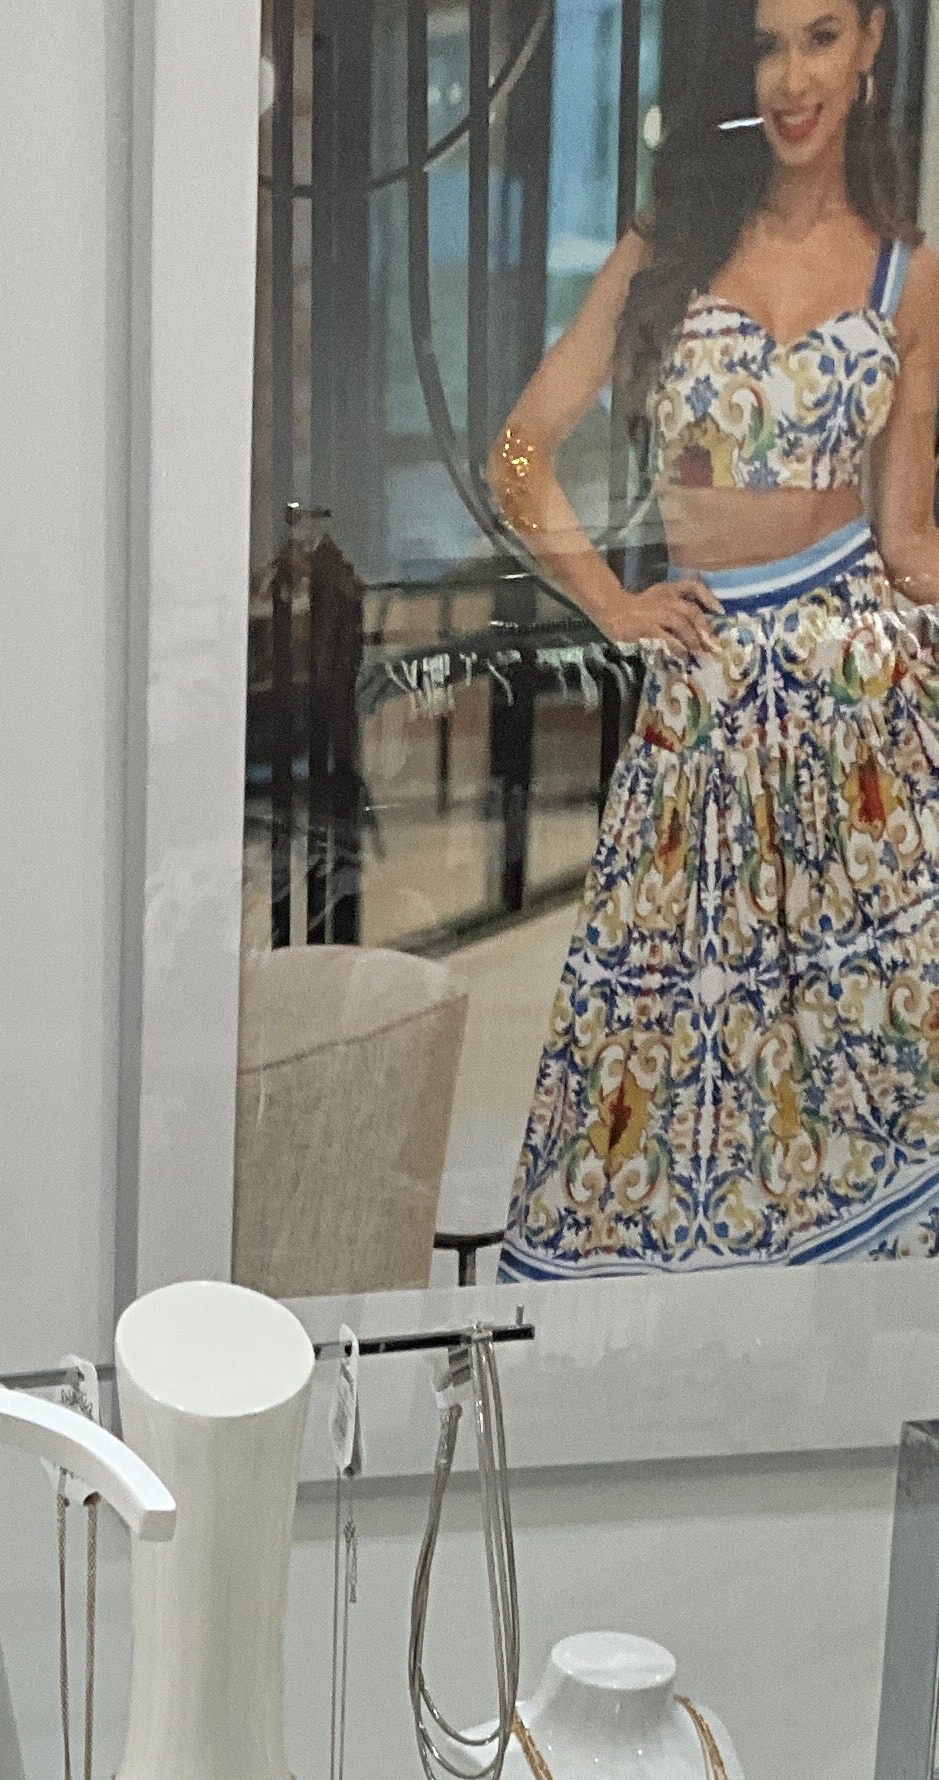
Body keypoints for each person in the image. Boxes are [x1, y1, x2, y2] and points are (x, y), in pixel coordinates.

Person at [493, 0, 939, 1269]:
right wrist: (614, 604)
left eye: (819, 37)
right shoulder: (672, 244)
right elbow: (520, 452)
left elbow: (908, 540)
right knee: (675, 1079)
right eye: (764, 45)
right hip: (704, 709)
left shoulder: (910, 275)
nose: (791, 77)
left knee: (868, 1057)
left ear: (871, 46)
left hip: (861, 718)